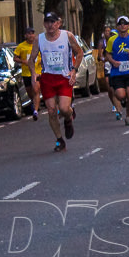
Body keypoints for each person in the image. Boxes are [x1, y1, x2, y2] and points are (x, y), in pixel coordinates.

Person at [27, 11, 82, 152]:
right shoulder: (39, 39)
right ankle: (59, 140)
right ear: (44, 24)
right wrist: (33, 73)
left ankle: (68, 118)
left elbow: (79, 52)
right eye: (47, 22)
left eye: (53, 22)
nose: (50, 25)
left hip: (64, 77)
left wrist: (74, 70)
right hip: (48, 78)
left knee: (63, 108)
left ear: (59, 23)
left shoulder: (67, 36)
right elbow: (31, 59)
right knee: (51, 111)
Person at [106, 15, 129, 126]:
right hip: (117, 72)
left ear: (128, 26)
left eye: (125, 23)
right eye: (120, 24)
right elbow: (107, 54)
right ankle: (122, 101)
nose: (123, 26)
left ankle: (128, 117)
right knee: (120, 95)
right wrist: (113, 62)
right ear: (117, 26)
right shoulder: (112, 40)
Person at [12, 27, 40, 120]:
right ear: (25, 36)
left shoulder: (38, 45)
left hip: (37, 72)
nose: (31, 35)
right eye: (29, 33)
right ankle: (34, 102)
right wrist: (23, 61)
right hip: (26, 73)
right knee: (29, 92)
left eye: (32, 33)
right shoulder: (21, 46)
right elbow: (15, 58)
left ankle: (35, 111)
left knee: (36, 90)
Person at [97, 24, 124, 119]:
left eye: (112, 33)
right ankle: (116, 107)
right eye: (108, 32)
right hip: (108, 66)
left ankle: (122, 101)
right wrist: (104, 58)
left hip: (119, 66)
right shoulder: (103, 42)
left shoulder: (120, 43)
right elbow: (100, 55)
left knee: (120, 88)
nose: (109, 34)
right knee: (110, 88)